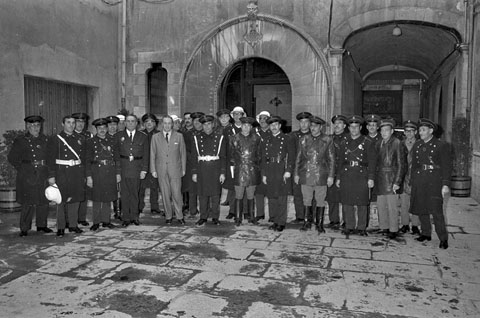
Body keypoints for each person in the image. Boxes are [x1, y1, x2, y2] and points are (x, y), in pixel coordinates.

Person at [410, 118, 452, 249]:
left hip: (435, 181)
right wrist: (412, 181)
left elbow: (446, 166)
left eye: (423, 130)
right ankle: (426, 233)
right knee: (422, 208)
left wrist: (445, 184)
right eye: (420, 130)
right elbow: (415, 165)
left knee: (436, 211)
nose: (420, 132)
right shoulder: (417, 145)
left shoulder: (441, 145)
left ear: (431, 131)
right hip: (420, 180)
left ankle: (443, 238)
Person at [8, 115, 52, 236]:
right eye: (32, 125)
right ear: (27, 126)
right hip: (28, 174)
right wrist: (23, 169)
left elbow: (50, 157)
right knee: (28, 201)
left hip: (43, 172)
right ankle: (24, 228)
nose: (35, 128)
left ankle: (42, 225)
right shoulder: (21, 140)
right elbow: (12, 158)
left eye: (37, 125)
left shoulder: (46, 140)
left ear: (40, 126)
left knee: (44, 200)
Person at [336, 115, 377, 238]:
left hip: (361, 175)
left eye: (356, 127)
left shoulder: (367, 142)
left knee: (362, 203)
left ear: (360, 127)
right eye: (351, 127)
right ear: (348, 128)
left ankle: (361, 227)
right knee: (347, 202)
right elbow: (340, 161)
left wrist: (371, 178)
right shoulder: (344, 142)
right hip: (347, 174)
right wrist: (338, 177)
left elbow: (372, 162)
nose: (354, 129)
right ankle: (349, 226)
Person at [47, 115, 87, 237]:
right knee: (61, 200)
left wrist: (84, 174)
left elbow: (84, 158)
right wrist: (51, 175)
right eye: (68, 122)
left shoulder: (80, 138)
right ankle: (60, 227)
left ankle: (73, 225)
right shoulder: (55, 139)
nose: (71, 125)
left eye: (73, 123)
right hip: (61, 172)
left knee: (75, 199)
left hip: (76, 172)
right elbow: (50, 159)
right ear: (62, 124)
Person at [294, 116, 335, 233]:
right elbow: (298, 158)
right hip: (306, 173)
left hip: (321, 174)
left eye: (315, 126)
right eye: (311, 126)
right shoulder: (303, 139)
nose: (313, 128)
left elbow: (331, 159)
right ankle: (307, 222)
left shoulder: (327, 140)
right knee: (306, 199)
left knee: (320, 200)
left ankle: (319, 224)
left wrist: (331, 176)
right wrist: (296, 173)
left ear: (320, 127)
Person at [374, 118, 407, 239]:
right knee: (381, 205)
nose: (384, 133)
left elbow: (401, 164)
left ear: (392, 131)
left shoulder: (397, 143)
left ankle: (393, 229)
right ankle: (384, 227)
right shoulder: (379, 143)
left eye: (386, 130)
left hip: (391, 179)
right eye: (382, 130)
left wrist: (397, 181)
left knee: (392, 206)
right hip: (380, 179)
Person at [261, 116, 295, 231]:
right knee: (272, 197)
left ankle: (281, 222)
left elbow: (291, 156)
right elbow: (264, 158)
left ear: (280, 126)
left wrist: (288, 171)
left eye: (276, 125)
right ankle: (274, 220)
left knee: (281, 197)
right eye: (271, 125)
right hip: (270, 169)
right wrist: (264, 174)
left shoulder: (287, 138)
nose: (273, 127)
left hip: (281, 169)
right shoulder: (266, 139)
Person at [151, 115, 187, 225]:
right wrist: (153, 169)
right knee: (165, 194)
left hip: (175, 169)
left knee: (176, 193)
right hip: (161, 169)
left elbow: (183, 154)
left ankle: (179, 215)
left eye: (169, 123)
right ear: (162, 124)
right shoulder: (155, 137)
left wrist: (183, 169)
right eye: (165, 123)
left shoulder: (179, 136)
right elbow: (152, 154)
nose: (167, 125)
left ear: (172, 124)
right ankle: (168, 216)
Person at [191, 115, 227, 226]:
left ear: (212, 124)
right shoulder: (196, 138)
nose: (207, 127)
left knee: (216, 195)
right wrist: (194, 172)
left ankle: (215, 217)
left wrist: (222, 172)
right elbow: (194, 157)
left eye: (209, 124)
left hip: (215, 168)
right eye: (204, 124)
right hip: (202, 168)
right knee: (202, 195)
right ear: (202, 125)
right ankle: (203, 217)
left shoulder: (219, 137)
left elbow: (223, 157)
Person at [114, 114, 149, 227]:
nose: (130, 123)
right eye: (128, 121)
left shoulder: (143, 136)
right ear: (124, 123)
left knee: (135, 194)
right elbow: (116, 156)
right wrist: (118, 172)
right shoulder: (118, 136)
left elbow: (146, 155)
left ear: (137, 123)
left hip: (136, 168)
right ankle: (126, 218)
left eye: (133, 121)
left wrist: (144, 170)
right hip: (124, 168)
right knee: (124, 194)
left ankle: (135, 217)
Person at [86, 118, 119, 231]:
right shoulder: (90, 142)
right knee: (96, 198)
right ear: (96, 129)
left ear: (107, 128)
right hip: (96, 172)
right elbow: (87, 161)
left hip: (110, 171)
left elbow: (117, 158)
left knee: (107, 197)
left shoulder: (112, 141)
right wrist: (89, 177)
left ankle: (106, 221)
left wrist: (118, 173)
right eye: (99, 128)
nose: (102, 130)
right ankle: (96, 222)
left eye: (104, 128)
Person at [229, 116, 261, 226]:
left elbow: (259, 154)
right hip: (239, 169)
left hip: (252, 169)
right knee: (238, 194)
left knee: (251, 195)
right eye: (244, 125)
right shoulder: (234, 138)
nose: (246, 128)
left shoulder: (256, 138)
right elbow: (231, 154)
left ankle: (251, 217)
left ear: (251, 127)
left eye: (248, 126)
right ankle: (238, 217)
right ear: (241, 126)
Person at [325, 114, 348, 230]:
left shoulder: (348, 138)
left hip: (344, 171)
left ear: (344, 125)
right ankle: (334, 220)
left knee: (345, 197)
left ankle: (346, 221)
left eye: (340, 123)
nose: (337, 126)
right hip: (331, 171)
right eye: (336, 123)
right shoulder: (329, 139)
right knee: (331, 197)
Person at [290, 112, 313, 223]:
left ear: (309, 123)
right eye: (301, 122)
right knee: (297, 193)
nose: (303, 124)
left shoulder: (314, 135)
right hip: (297, 169)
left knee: (310, 194)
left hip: (311, 169)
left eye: (306, 122)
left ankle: (310, 216)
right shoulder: (293, 136)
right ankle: (299, 216)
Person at [399, 120, 421, 235]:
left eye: (411, 131)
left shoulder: (420, 144)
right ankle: (405, 224)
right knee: (404, 202)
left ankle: (416, 225)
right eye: (407, 131)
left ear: (415, 132)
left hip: (416, 177)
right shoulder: (400, 144)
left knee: (416, 202)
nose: (409, 134)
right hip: (403, 176)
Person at [72, 112, 93, 227]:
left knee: (84, 194)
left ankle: (81, 217)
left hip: (85, 169)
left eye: (82, 122)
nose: (80, 124)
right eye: (78, 121)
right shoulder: (70, 135)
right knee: (73, 195)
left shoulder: (88, 136)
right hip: (73, 169)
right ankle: (71, 219)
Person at [139, 113, 162, 215]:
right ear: (143, 123)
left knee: (154, 187)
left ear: (155, 123)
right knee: (141, 187)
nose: (149, 123)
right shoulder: (139, 134)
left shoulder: (159, 134)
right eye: (147, 121)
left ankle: (154, 207)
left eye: (152, 121)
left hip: (155, 164)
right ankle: (139, 206)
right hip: (142, 164)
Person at [183, 111, 205, 218]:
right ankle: (192, 210)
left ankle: (204, 210)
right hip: (191, 165)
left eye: (199, 120)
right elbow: (185, 151)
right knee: (192, 190)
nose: (197, 123)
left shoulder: (206, 133)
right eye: (194, 120)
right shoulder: (187, 134)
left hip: (205, 166)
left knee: (204, 190)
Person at [254, 110, 271, 222]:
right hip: (258, 165)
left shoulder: (273, 132)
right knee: (258, 191)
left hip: (271, 165)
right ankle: (260, 213)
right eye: (261, 119)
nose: (263, 121)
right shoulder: (255, 133)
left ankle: (273, 215)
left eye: (265, 119)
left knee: (271, 191)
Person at [106, 115, 122, 220]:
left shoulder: (121, 136)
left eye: (114, 125)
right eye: (110, 125)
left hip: (120, 167)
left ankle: (119, 211)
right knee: (109, 190)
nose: (112, 127)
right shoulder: (102, 136)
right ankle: (107, 213)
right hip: (107, 168)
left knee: (120, 190)